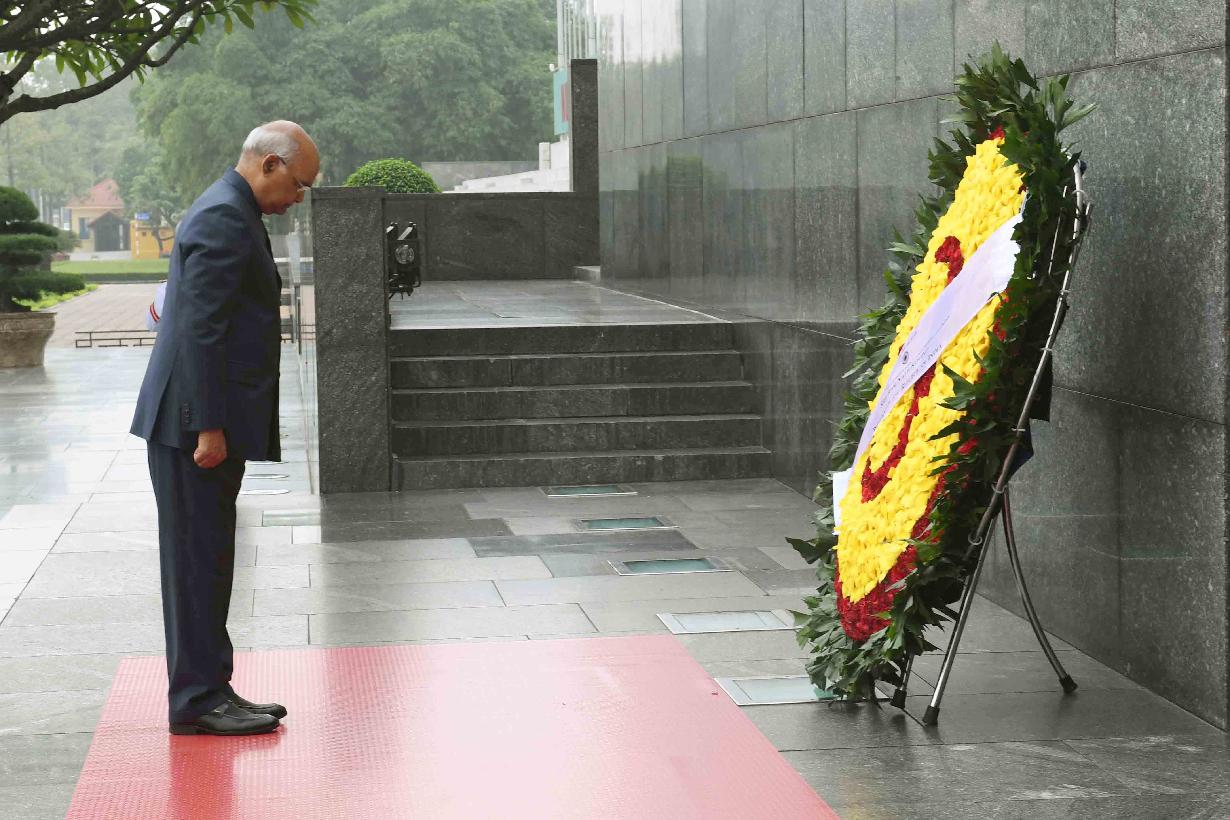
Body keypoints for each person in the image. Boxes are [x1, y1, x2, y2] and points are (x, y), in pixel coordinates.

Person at [130, 121, 319, 736]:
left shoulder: (233, 210)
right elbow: (200, 330)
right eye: (299, 183)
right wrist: (209, 427)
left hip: (198, 422)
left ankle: (213, 688)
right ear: (270, 164)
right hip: (192, 429)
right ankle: (196, 700)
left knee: (208, 557)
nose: (299, 197)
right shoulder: (223, 217)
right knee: (195, 563)